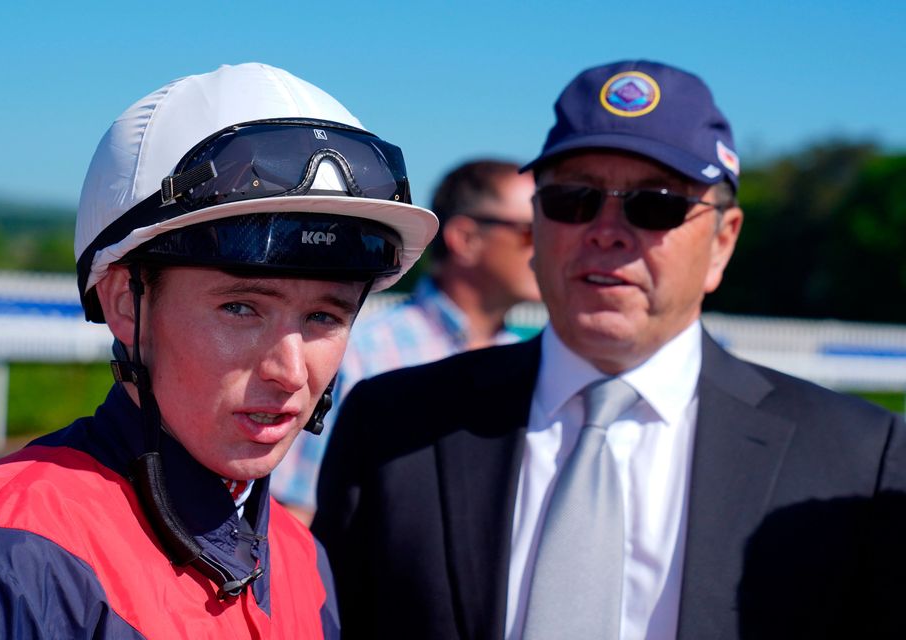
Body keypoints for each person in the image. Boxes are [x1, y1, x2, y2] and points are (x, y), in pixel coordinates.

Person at [311, 60, 906, 639]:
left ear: (723, 242)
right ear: (537, 226)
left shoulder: (857, 458)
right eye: (574, 198)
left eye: (657, 204)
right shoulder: (394, 423)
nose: (606, 230)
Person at [0, 62, 437, 638]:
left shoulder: (303, 557)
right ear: (127, 305)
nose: (291, 372)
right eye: (241, 308)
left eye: (323, 317)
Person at [270, 159, 540, 523]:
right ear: (466, 239)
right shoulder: (360, 353)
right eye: (532, 231)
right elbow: (295, 514)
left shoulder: (534, 365)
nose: (551, 245)